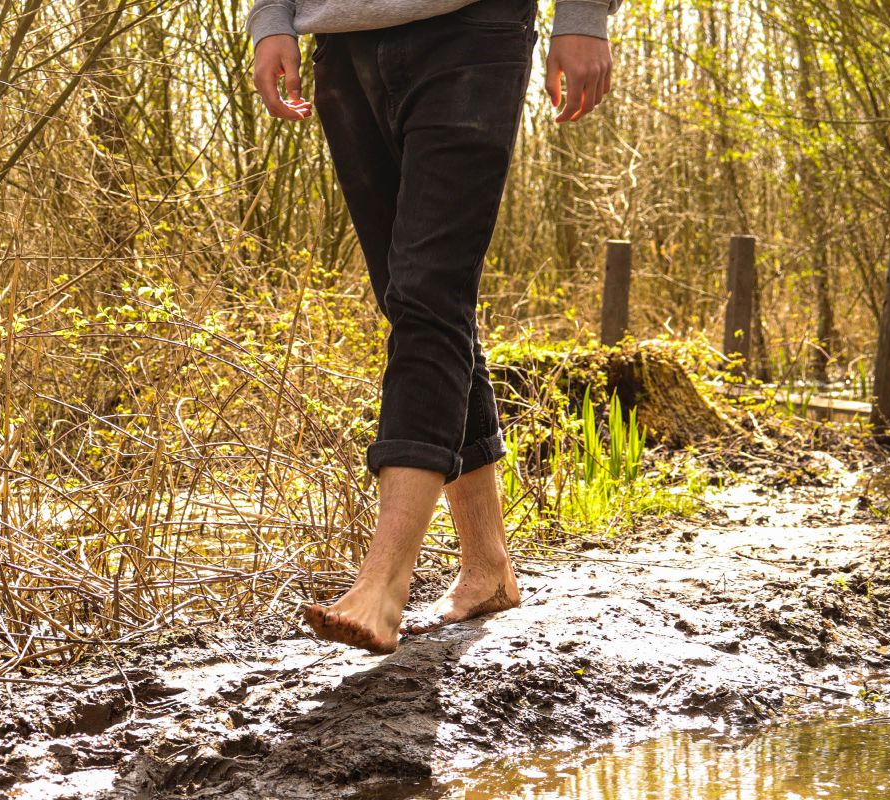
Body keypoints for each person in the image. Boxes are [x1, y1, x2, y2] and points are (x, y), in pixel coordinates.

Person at [247, 0, 621, 653]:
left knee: (427, 293)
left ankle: (382, 582)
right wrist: (269, 16)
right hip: (341, 41)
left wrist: (584, 14)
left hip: (471, 29)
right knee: (417, 302)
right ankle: (486, 569)